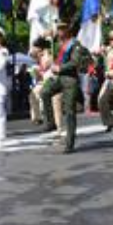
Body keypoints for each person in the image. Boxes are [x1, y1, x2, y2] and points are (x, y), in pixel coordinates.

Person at [40, 21, 84, 153]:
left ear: (68, 30)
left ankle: (70, 143)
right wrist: (44, 35)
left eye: (62, 29)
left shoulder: (75, 45)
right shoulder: (58, 43)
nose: (59, 31)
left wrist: (59, 67)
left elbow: (75, 62)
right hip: (59, 78)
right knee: (45, 92)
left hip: (70, 79)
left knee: (69, 111)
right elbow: (38, 44)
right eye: (58, 29)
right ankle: (50, 122)